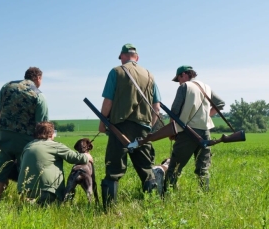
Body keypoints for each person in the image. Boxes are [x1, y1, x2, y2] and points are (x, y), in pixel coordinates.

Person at [98, 43, 161, 209]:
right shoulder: (150, 75)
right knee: (146, 169)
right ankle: (153, 205)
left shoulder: (116, 72)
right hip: (143, 127)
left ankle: (109, 209)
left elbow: (108, 101)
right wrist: (149, 128)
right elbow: (157, 106)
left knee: (113, 170)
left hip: (120, 127)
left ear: (122, 56)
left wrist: (102, 122)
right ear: (137, 57)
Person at [164, 65, 225, 193]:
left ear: (184, 75)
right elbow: (220, 103)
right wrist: (206, 116)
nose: (178, 82)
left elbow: (174, 111)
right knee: (203, 168)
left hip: (187, 132)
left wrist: (172, 130)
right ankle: (205, 195)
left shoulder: (184, 87)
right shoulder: (206, 87)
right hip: (205, 132)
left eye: (178, 79)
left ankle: (167, 195)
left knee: (174, 167)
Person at [0, 66, 49, 200]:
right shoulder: (39, 95)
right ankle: (23, 202)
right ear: (38, 78)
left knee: (1, 169)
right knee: (26, 170)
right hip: (26, 139)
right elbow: (42, 125)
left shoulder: (7, 87)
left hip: (4, 135)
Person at [17, 122, 93, 206]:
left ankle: (31, 202)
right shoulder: (55, 146)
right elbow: (74, 158)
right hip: (48, 190)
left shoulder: (28, 146)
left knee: (35, 204)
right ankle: (43, 202)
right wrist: (87, 157)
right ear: (51, 134)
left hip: (24, 191)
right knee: (53, 203)